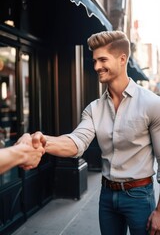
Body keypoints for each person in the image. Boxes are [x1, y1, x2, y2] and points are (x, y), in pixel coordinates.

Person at [19, 31, 160, 235]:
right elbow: (76, 143)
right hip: (107, 197)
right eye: (94, 61)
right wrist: (42, 141)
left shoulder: (152, 104)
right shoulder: (93, 108)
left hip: (139, 196)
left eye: (102, 60)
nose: (96, 67)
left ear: (122, 59)